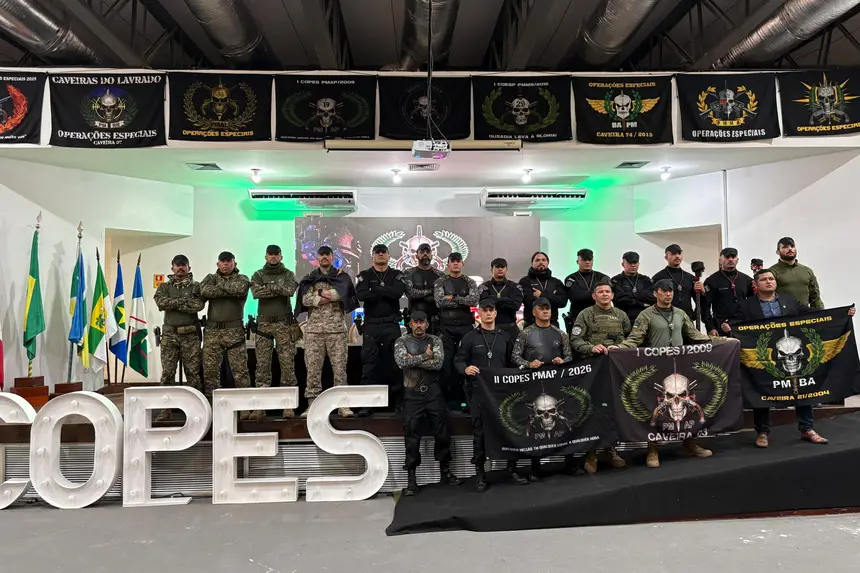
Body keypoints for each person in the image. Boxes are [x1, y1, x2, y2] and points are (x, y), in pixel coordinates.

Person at [727, 269, 855, 446]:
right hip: (766, 358)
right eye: (764, 279)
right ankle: (762, 432)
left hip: (793, 353)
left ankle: (807, 429)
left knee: (802, 389)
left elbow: (812, 314)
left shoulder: (789, 300)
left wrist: (841, 314)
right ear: (755, 284)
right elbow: (734, 324)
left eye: (771, 278)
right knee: (760, 393)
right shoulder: (746, 306)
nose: (769, 282)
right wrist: (727, 327)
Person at [616, 279, 734, 468]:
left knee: (686, 406)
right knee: (655, 407)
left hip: (680, 366)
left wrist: (723, 341)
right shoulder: (645, 315)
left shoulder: (680, 313)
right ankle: (653, 449)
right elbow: (635, 339)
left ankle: (689, 444)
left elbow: (695, 336)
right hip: (656, 366)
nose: (668, 294)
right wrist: (619, 348)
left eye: (670, 291)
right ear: (655, 293)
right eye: (664, 291)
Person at [455, 299, 526, 491]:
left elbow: (513, 363)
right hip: (478, 392)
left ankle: (512, 469)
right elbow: (459, 361)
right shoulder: (469, 337)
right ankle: (480, 474)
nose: (488, 313)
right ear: (479, 313)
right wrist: (465, 369)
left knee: (509, 428)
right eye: (484, 310)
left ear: (495, 313)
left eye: (491, 310)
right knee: (480, 432)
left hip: (502, 393)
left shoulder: (505, 337)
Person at [394, 310, 463, 496]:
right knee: (411, 435)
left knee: (442, 433)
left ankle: (445, 471)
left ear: (426, 324)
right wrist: (425, 356)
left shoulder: (435, 340)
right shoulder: (401, 341)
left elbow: (438, 364)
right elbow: (402, 362)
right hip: (411, 394)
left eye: (421, 322)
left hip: (433, 392)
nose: (418, 325)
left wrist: (414, 360)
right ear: (410, 324)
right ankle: (411, 478)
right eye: (415, 322)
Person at [569, 281, 630, 473]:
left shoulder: (621, 315)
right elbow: (575, 339)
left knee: (613, 409)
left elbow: (631, 338)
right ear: (594, 296)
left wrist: (620, 347)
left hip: (615, 369)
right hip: (593, 370)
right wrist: (591, 348)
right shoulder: (585, 314)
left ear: (612, 295)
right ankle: (592, 453)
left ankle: (611, 450)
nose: (604, 294)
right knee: (592, 410)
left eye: (607, 291)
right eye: (600, 292)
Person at [513, 298, 574, 478]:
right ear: (534, 312)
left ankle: (569, 461)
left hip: (556, 382)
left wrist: (562, 361)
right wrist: (528, 363)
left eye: (548, 308)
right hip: (534, 383)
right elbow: (515, 357)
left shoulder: (560, 333)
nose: (546, 311)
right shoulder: (526, 333)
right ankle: (535, 465)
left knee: (563, 422)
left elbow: (569, 357)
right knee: (536, 426)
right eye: (542, 309)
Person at [295, 245, 359, 418]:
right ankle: (312, 405)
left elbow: (342, 295)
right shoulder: (310, 278)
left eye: (327, 255)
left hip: (336, 331)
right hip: (314, 332)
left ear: (332, 257)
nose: (324, 257)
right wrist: (327, 295)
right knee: (313, 371)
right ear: (317, 258)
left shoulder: (342, 277)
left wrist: (318, 294)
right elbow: (305, 299)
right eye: (321, 255)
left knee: (340, 370)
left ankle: (343, 405)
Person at [248, 245, 299, 421]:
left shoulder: (289, 274)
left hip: (284, 324)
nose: (273, 257)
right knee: (262, 366)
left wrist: (268, 287)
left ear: (281, 256)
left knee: (287, 365)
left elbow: (289, 291)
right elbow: (256, 293)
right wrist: (277, 287)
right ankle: (260, 407)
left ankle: (288, 406)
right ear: (266, 256)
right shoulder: (258, 274)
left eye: (276, 254)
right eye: (271, 255)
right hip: (264, 325)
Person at [355, 244, 406, 416]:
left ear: (389, 256)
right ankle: (367, 404)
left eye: (384, 252)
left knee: (396, 364)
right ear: (373, 257)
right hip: (372, 325)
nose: (381, 254)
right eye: (377, 252)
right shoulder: (365, 275)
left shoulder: (397, 274)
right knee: (369, 365)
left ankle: (398, 403)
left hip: (391, 324)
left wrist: (375, 289)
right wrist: (385, 291)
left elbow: (397, 293)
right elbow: (361, 295)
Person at [153, 254, 204, 422]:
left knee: (193, 374)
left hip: (190, 336)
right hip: (170, 336)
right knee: (167, 374)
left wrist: (173, 302)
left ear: (189, 268)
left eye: (183, 265)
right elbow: (161, 303)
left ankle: (197, 409)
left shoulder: (196, 286)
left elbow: (197, 305)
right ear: (172, 268)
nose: (180, 268)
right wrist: (184, 302)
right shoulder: (164, 287)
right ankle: (165, 410)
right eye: (177, 265)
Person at [200, 251, 252, 411]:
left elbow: (240, 289)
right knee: (210, 372)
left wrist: (218, 288)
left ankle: (245, 408)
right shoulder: (210, 278)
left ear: (234, 263)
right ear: (218, 264)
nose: (225, 264)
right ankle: (211, 407)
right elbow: (204, 291)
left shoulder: (242, 279)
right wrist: (229, 290)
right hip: (212, 331)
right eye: (222, 262)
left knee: (240, 372)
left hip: (234, 330)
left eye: (229, 261)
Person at [433, 252, 479, 411]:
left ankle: (465, 400)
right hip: (446, 329)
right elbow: (439, 302)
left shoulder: (469, 281)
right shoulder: (441, 281)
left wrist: (452, 297)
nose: (455, 263)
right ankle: (446, 401)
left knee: (466, 364)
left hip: (466, 328)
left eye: (458, 261)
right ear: (447, 264)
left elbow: (474, 300)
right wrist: (462, 300)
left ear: (462, 264)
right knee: (445, 366)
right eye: (452, 261)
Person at [702, 247, 754, 337]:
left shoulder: (746, 279)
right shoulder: (711, 280)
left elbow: (753, 302)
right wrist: (710, 327)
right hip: (720, 326)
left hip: (742, 325)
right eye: (727, 257)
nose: (730, 259)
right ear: (720, 260)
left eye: (733, 257)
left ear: (737, 260)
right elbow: (705, 306)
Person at [478, 257, 524, 343]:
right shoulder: (483, 287)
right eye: (497, 267)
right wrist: (507, 299)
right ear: (491, 269)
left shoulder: (515, 286)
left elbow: (516, 306)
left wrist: (493, 299)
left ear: (506, 269)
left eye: (502, 267)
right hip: (489, 330)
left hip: (510, 329)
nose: (500, 269)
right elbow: (485, 305)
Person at [652, 244, 703, 322]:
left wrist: (702, 291)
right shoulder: (658, 277)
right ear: (666, 257)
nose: (677, 256)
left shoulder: (690, 278)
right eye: (673, 254)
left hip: (686, 319)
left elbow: (699, 300)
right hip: (665, 319)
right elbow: (652, 300)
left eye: (679, 253)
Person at [769, 237, 824, 309]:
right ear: (778, 252)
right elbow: (767, 297)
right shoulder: (771, 272)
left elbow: (815, 297)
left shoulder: (807, 271)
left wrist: (821, 313)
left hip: (805, 313)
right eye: (785, 247)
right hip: (783, 314)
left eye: (792, 246)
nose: (790, 249)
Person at [403, 243, 444, 334]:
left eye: (428, 252)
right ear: (416, 256)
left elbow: (440, 298)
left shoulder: (440, 275)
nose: (425, 254)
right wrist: (431, 291)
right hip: (415, 320)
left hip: (434, 321)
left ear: (431, 255)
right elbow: (411, 294)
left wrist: (420, 295)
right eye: (422, 252)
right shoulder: (409, 273)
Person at [519, 251, 567, 328]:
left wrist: (541, 295)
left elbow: (562, 302)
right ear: (532, 263)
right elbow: (529, 302)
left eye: (543, 260)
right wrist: (552, 297)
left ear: (548, 263)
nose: (541, 262)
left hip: (552, 324)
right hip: (531, 324)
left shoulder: (556, 282)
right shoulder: (525, 281)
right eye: (537, 260)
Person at [564, 248, 609, 327]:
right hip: (578, 318)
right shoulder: (571, 278)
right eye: (584, 260)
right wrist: (596, 293)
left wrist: (585, 294)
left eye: (589, 259)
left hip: (599, 317)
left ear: (593, 261)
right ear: (577, 261)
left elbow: (605, 298)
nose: (587, 262)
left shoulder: (602, 277)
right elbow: (575, 298)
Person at [611, 251, 656, 323]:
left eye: (635, 263)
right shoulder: (616, 280)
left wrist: (631, 295)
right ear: (623, 264)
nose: (633, 265)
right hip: (623, 319)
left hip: (644, 318)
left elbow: (652, 297)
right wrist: (641, 303)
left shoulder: (645, 279)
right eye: (630, 263)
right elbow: (619, 300)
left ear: (639, 264)